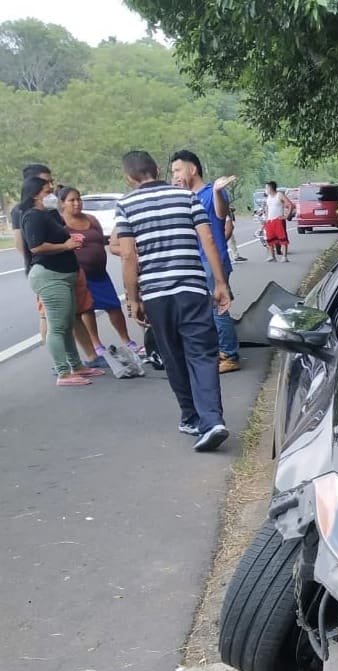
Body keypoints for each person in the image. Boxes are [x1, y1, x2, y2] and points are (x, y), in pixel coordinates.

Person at [114, 150, 231, 451]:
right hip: (192, 289)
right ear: (156, 169)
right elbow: (208, 239)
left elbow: (127, 255)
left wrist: (133, 299)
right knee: (203, 354)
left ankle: (191, 417)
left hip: (156, 295)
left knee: (173, 355)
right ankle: (212, 420)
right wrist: (220, 284)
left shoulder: (125, 205)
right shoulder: (186, 197)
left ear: (129, 177)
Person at [11, 163, 102, 368]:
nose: (52, 190)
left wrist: (70, 242)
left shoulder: (49, 212)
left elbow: (61, 233)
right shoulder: (28, 214)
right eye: (47, 187)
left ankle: (79, 364)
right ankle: (61, 368)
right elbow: (33, 246)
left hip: (66, 270)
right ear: (35, 190)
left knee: (69, 319)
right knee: (55, 322)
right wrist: (62, 247)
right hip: (49, 273)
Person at [170, 150, 241, 374]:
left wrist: (219, 191)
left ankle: (230, 354)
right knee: (204, 310)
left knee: (218, 308)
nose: (175, 175)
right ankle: (218, 349)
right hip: (193, 262)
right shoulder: (184, 196)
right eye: (173, 172)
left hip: (213, 262)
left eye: (178, 170)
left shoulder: (211, 192)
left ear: (192, 169)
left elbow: (220, 214)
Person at [58, 186, 144, 357]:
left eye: (78, 199)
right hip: (80, 274)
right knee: (87, 310)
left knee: (113, 306)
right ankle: (96, 345)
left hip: (100, 273)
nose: (77, 203)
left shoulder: (91, 219)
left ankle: (127, 340)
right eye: (72, 200)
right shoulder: (60, 224)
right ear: (62, 204)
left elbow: (103, 240)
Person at [262, 181, 295, 263]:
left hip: (278, 220)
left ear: (271, 188)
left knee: (282, 238)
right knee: (269, 239)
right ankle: (272, 256)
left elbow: (290, 205)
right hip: (270, 220)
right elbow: (267, 208)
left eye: (267, 188)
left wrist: (286, 216)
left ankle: (284, 256)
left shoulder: (279, 195)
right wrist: (266, 218)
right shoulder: (268, 197)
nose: (266, 189)